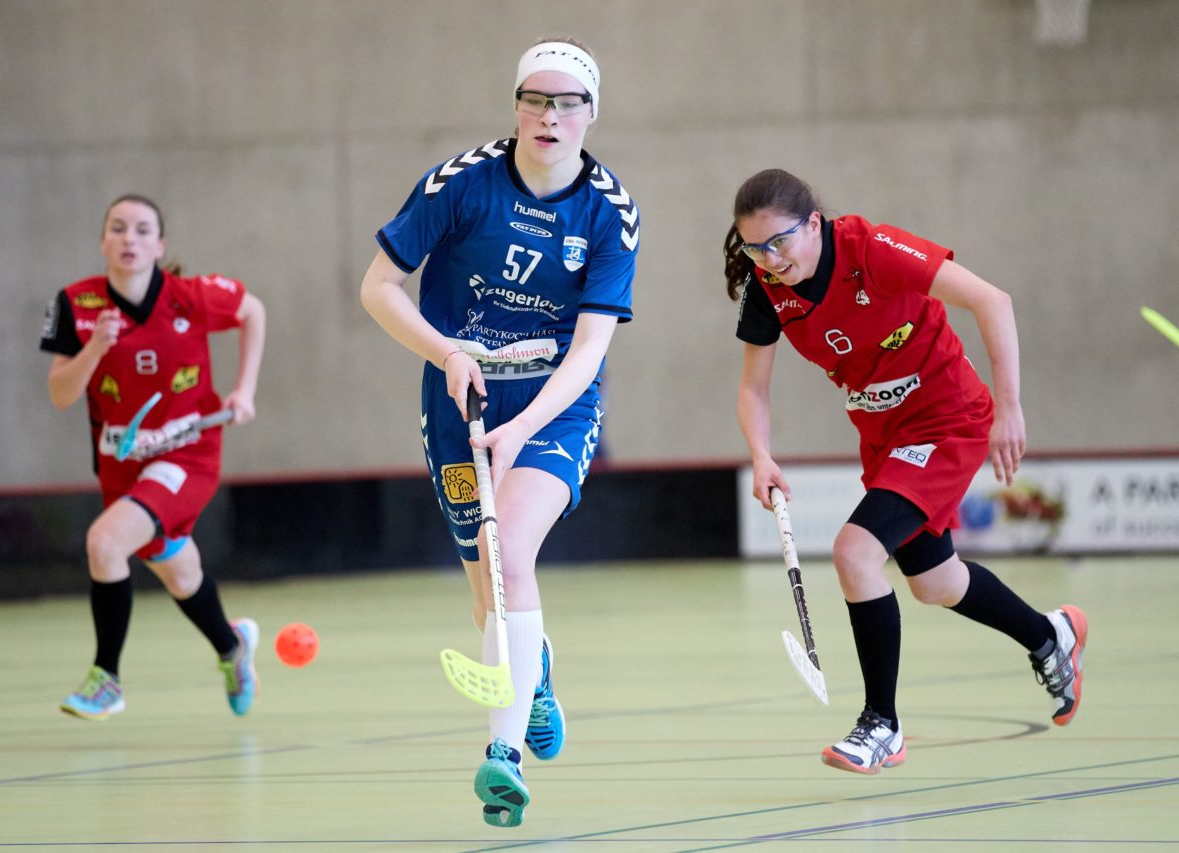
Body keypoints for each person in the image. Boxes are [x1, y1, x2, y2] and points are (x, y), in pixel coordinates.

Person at [724, 169, 1087, 774]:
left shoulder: (873, 249)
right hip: (886, 437)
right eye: (755, 248)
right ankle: (1051, 636)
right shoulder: (768, 289)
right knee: (935, 583)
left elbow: (992, 300)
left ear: (814, 223)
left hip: (947, 420)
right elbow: (752, 388)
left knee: (854, 552)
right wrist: (761, 454)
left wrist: (1010, 406)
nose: (769, 259)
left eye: (780, 242)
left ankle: (881, 724)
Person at [360, 39, 638, 826]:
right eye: (535, 100)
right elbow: (378, 287)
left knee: (509, 550)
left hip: (555, 402)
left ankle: (502, 758)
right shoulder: (461, 183)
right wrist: (445, 349)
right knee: (489, 590)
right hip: (456, 395)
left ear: (592, 114)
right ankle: (535, 666)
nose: (550, 116)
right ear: (516, 105)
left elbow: (590, 349)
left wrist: (523, 428)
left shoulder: (610, 211)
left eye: (568, 103)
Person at [39, 194, 267, 722]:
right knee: (179, 573)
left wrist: (245, 389)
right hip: (120, 463)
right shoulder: (76, 305)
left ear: (159, 246)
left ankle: (106, 679)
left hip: (187, 455)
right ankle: (233, 648)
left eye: (142, 230)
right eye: (117, 229)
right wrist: (93, 349)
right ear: (103, 242)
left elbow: (252, 309)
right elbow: (60, 393)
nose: (129, 239)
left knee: (104, 541)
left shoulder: (191, 296)